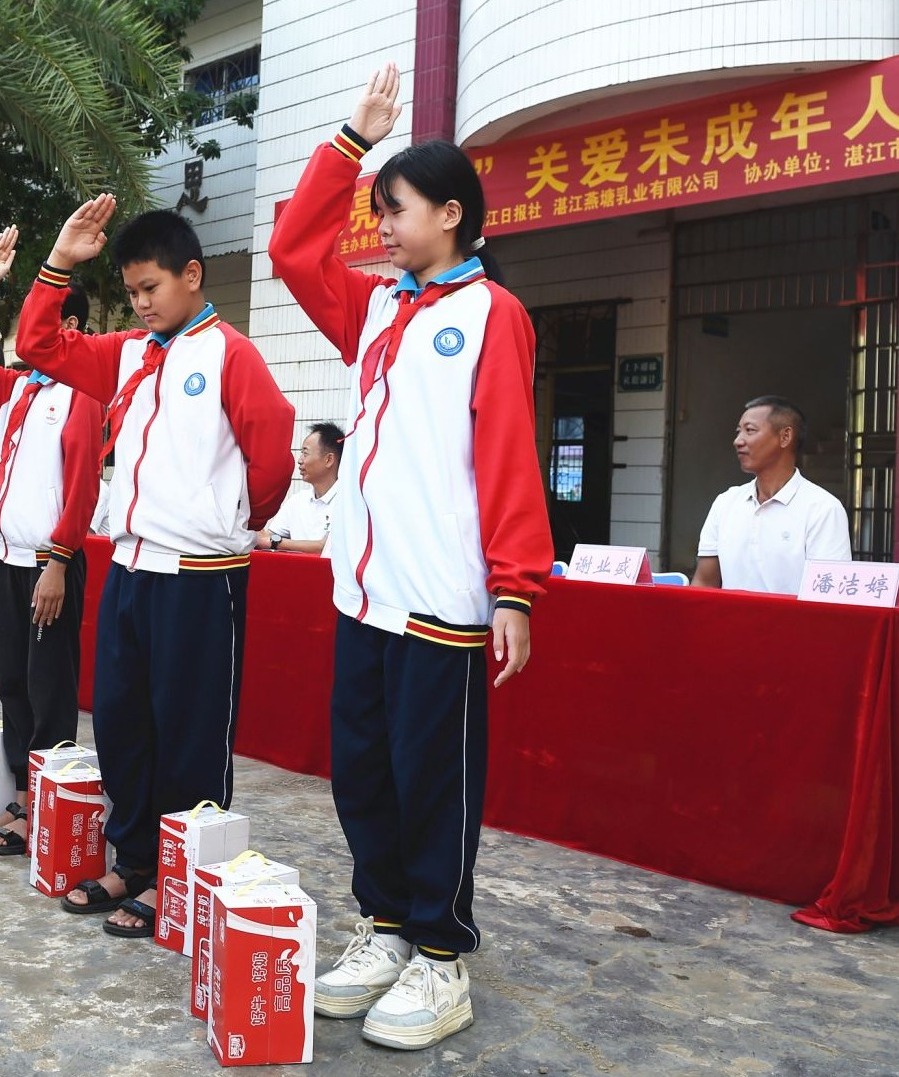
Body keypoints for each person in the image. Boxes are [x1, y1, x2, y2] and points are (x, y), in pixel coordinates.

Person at [268, 62, 553, 1051]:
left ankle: (440, 956)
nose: (378, 226)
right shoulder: (381, 310)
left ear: (450, 213)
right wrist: (350, 139)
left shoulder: (491, 317)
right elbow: (292, 249)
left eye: (393, 210)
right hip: (364, 600)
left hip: (441, 600)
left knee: (431, 781)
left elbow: (509, 458)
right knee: (363, 775)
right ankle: (385, 928)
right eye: (376, 209)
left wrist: (515, 590)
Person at [17, 201, 295, 937]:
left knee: (189, 731)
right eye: (132, 292)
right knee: (121, 721)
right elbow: (36, 342)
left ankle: (185, 877)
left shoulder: (229, 353)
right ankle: (135, 857)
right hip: (132, 568)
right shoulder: (126, 352)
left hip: (200, 574)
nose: (140, 305)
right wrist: (60, 260)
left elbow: (270, 455)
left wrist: (229, 520)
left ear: (192, 275)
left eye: (151, 289)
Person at [0, 228, 103, 854]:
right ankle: (24, 791)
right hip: (8, 558)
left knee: (49, 688)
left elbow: (83, 485)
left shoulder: (80, 392)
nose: (20, 336)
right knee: (11, 681)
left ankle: (45, 800)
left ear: (70, 329)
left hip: (46, 562)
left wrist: (60, 563)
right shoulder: (15, 389)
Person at [691, 395, 851, 593]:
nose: (738, 441)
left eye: (750, 430)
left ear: (785, 437)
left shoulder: (823, 509)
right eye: (738, 431)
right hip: (729, 624)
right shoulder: (725, 503)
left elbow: (829, 595)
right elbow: (704, 583)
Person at [256, 422, 343, 554]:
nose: (300, 460)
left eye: (305, 453)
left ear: (329, 460)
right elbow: (268, 536)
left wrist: (275, 542)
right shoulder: (297, 500)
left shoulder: (347, 501)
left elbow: (326, 546)